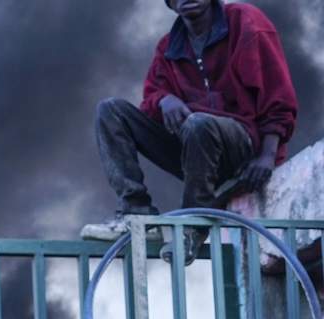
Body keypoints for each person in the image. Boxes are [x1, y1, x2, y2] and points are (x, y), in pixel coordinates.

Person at [82, 0, 297, 263]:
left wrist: (267, 156)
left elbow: (278, 94)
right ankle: (135, 212)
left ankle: (192, 226)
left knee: (199, 122)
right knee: (110, 110)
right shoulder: (169, 47)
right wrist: (164, 100)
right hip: (196, 151)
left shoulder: (244, 20)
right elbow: (150, 102)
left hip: (243, 146)